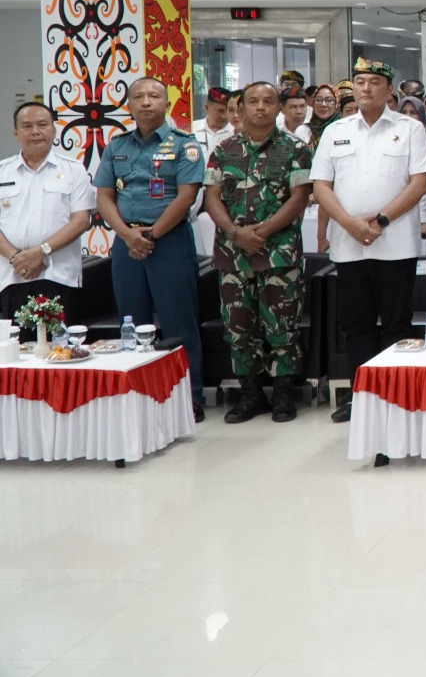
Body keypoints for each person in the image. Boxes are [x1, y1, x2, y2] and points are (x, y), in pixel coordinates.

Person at [310, 58, 426, 423]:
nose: (366, 88)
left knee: (397, 323)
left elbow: (419, 184)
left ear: (389, 90)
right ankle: (361, 396)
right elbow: (321, 186)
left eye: (374, 82)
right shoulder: (336, 130)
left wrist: (379, 221)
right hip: (349, 244)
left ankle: (395, 395)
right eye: (360, 81)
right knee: (356, 324)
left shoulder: (410, 129)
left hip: (396, 243)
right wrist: (348, 223)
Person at [93, 77, 207, 420]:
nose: (146, 102)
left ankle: (188, 397)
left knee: (178, 321)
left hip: (169, 242)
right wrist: (129, 237)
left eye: (154, 96)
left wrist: (151, 235)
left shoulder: (185, 145)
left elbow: (186, 196)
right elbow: (104, 196)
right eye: (139, 97)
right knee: (131, 321)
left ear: (166, 104)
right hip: (126, 244)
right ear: (128, 105)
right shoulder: (116, 146)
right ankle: (138, 397)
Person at [203, 81, 313, 424]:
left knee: (282, 326)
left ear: (278, 108)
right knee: (238, 328)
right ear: (241, 109)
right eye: (253, 101)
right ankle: (250, 394)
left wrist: (261, 233)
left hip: (278, 253)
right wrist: (236, 233)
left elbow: (299, 198)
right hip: (233, 254)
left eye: (268, 101)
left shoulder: (296, 149)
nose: (261, 107)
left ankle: (283, 394)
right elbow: (211, 197)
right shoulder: (223, 150)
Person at [0, 103, 95, 327]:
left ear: (53, 130)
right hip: (12, 276)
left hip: (59, 276)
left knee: (60, 346)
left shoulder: (73, 170)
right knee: (17, 347)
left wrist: (40, 252)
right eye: (27, 126)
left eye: (42, 125)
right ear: (15, 133)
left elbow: (81, 221)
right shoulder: (2, 171)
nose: (35, 131)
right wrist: (16, 257)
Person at [190, 87, 235, 256]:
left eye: (226, 111)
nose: (223, 116)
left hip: (222, 194)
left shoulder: (234, 132)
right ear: (206, 107)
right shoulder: (190, 129)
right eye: (219, 111)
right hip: (194, 193)